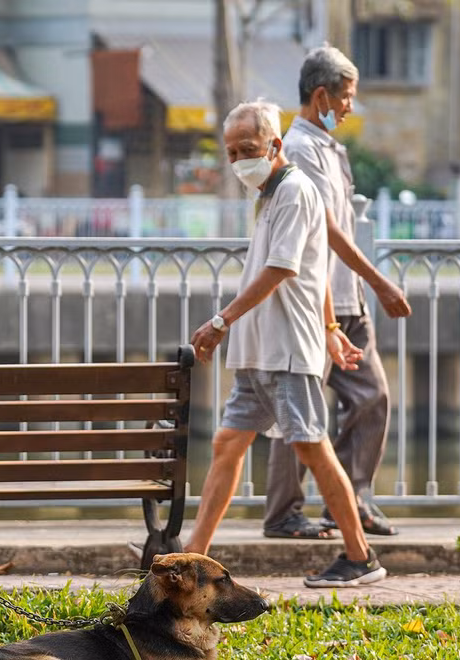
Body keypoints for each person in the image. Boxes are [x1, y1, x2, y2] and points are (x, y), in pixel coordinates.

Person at [181, 99, 387, 588]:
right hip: (259, 354)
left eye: (247, 148)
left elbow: (284, 269)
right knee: (227, 443)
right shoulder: (271, 196)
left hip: (287, 352)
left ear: (275, 144)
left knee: (313, 449)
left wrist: (221, 320)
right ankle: (191, 560)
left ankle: (360, 557)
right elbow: (315, 275)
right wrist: (333, 330)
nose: (238, 160)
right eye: (231, 152)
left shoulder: (294, 191)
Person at [261, 45, 412, 543]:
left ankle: (350, 500)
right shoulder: (301, 148)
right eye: (345, 97)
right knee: (299, 410)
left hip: (346, 302)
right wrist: (380, 280)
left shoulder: (330, 146)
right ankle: (285, 512)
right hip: (315, 301)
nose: (350, 106)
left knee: (372, 396)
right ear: (321, 95)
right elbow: (329, 233)